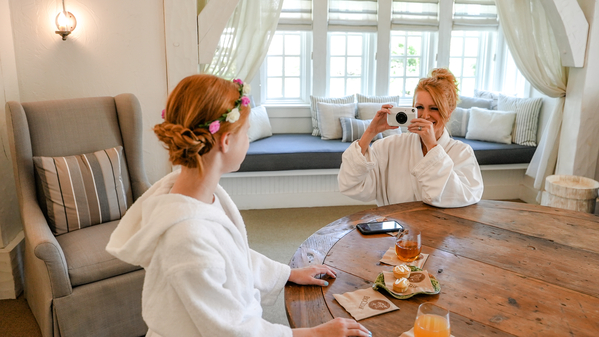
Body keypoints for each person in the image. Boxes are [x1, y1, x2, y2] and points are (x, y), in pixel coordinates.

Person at [106, 74, 371, 337]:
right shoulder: (186, 238)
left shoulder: (201, 194)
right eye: (246, 132)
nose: (248, 140)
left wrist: (287, 273)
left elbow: (232, 256)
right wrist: (315, 334)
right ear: (226, 140)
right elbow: (232, 331)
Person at [338, 68, 483, 208]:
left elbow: (465, 197)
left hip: (441, 230)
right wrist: (370, 131)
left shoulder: (462, 152)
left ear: (449, 112)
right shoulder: (389, 146)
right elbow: (351, 185)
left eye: (434, 108)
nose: (425, 115)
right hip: (395, 229)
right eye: (419, 107)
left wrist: (432, 146)